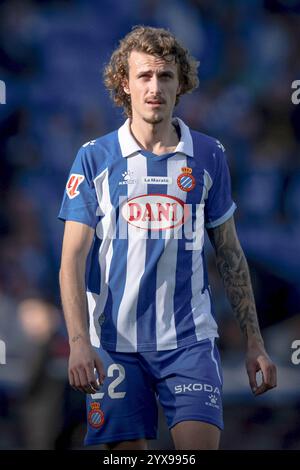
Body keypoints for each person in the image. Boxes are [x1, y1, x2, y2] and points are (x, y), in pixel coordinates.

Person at [58, 25, 277, 450]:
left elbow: (230, 253)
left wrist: (255, 343)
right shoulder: (95, 158)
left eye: (165, 76)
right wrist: (79, 342)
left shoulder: (210, 155)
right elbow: (72, 260)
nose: (154, 87)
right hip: (115, 346)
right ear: (125, 83)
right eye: (144, 76)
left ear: (181, 84)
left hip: (189, 342)